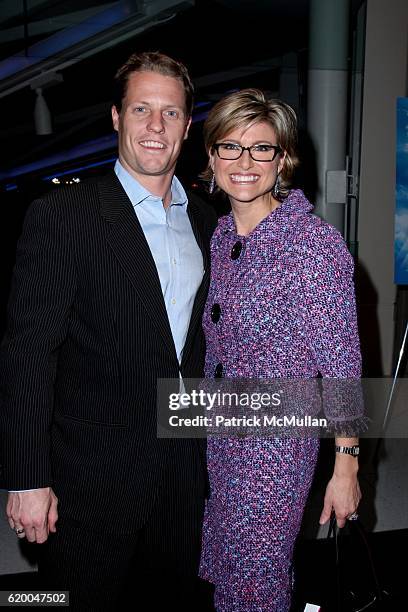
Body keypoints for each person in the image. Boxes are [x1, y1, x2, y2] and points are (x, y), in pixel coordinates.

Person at [0, 51, 216, 610]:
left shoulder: (207, 221)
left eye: (170, 113)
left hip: (182, 476)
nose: (155, 125)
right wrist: (26, 478)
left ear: (188, 127)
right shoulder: (63, 216)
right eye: (141, 108)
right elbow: (28, 355)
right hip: (90, 479)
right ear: (116, 117)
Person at [198, 89, 362, 611]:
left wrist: (346, 467)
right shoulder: (222, 236)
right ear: (211, 157)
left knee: (256, 581)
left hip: (275, 451)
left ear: (282, 159)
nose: (244, 163)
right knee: (231, 573)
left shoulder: (312, 246)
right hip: (222, 439)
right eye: (230, 147)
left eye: (261, 149)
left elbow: (341, 365)